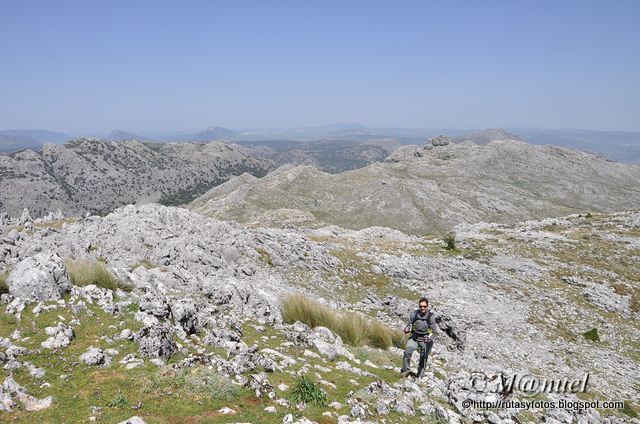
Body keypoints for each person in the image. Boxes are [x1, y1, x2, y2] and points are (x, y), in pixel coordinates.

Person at [400, 297, 439, 378]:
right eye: (421, 306)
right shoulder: (414, 314)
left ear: (427, 306)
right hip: (414, 337)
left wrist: (429, 338)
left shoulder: (431, 317)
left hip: (425, 340)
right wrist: (407, 328)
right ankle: (405, 371)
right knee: (407, 352)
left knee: (423, 357)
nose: (422, 308)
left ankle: (420, 376)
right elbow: (410, 324)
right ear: (419, 306)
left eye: (424, 306)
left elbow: (434, 331)